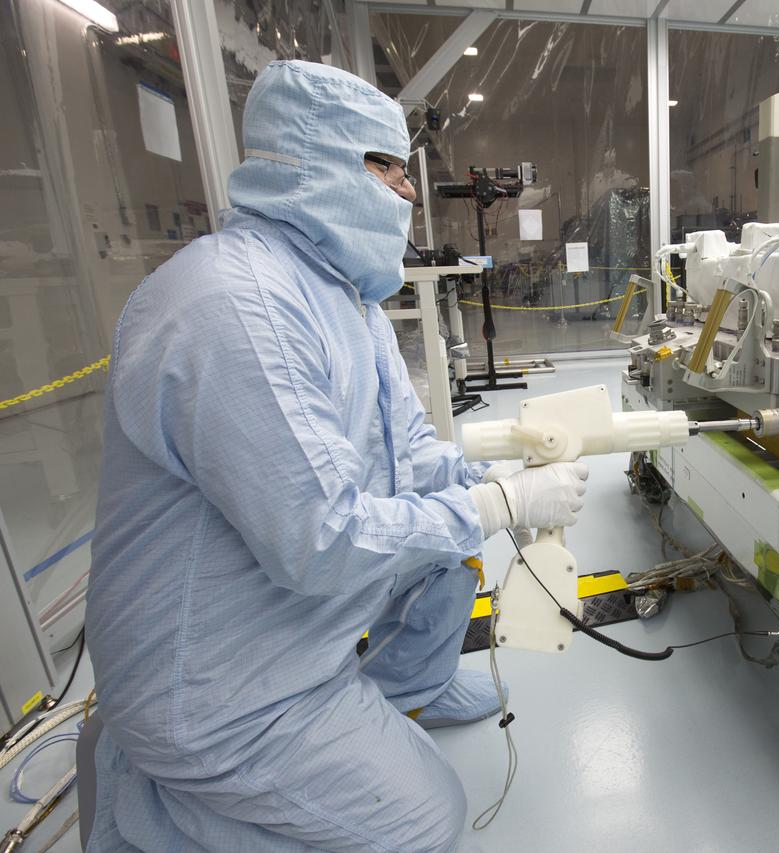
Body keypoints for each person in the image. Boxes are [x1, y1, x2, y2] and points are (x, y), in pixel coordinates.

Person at [84, 60, 587, 852]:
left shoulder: (347, 303)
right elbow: (322, 540)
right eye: (386, 168)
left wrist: (490, 482)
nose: (411, 192)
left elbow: (410, 453)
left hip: (289, 618)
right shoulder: (234, 305)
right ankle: (151, 804)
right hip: (217, 687)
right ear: (312, 163)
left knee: (447, 556)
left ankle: (393, 693)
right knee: (426, 819)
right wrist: (502, 507)